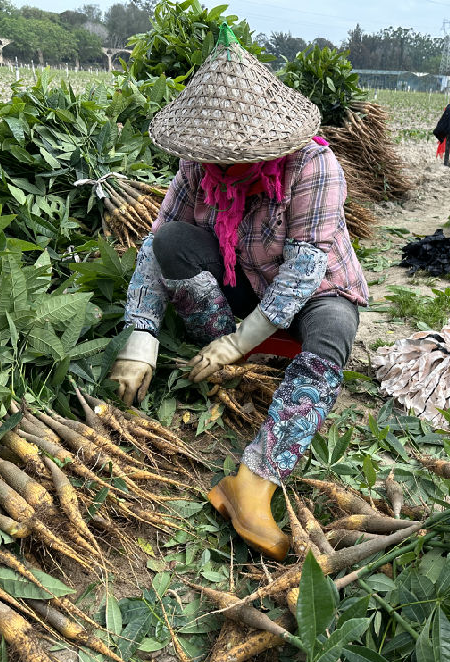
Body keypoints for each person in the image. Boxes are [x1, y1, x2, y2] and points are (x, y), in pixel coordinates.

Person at [107, 25, 369, 561]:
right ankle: (229, 368)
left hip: (313, 292)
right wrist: (140, 338)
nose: (221, 169)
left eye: (233, 158)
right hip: (243, 282)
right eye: (213, 159)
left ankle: (253, 481)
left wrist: (238, 340)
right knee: (174, 241)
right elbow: (157, 243)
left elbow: (304, 269)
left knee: (335, 327)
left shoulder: (313, 166)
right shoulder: (198, 166)